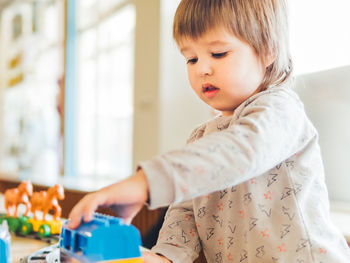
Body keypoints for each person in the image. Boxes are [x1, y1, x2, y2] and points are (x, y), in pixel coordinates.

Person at [68, 0, 350, 262]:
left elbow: (240, 150)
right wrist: (160, 256)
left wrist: (146, 183)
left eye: (218, 53)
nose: (202, 68)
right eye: (190, 59)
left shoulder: (282, 110)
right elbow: (184, 218)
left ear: (267, 51)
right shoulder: (202, 138)